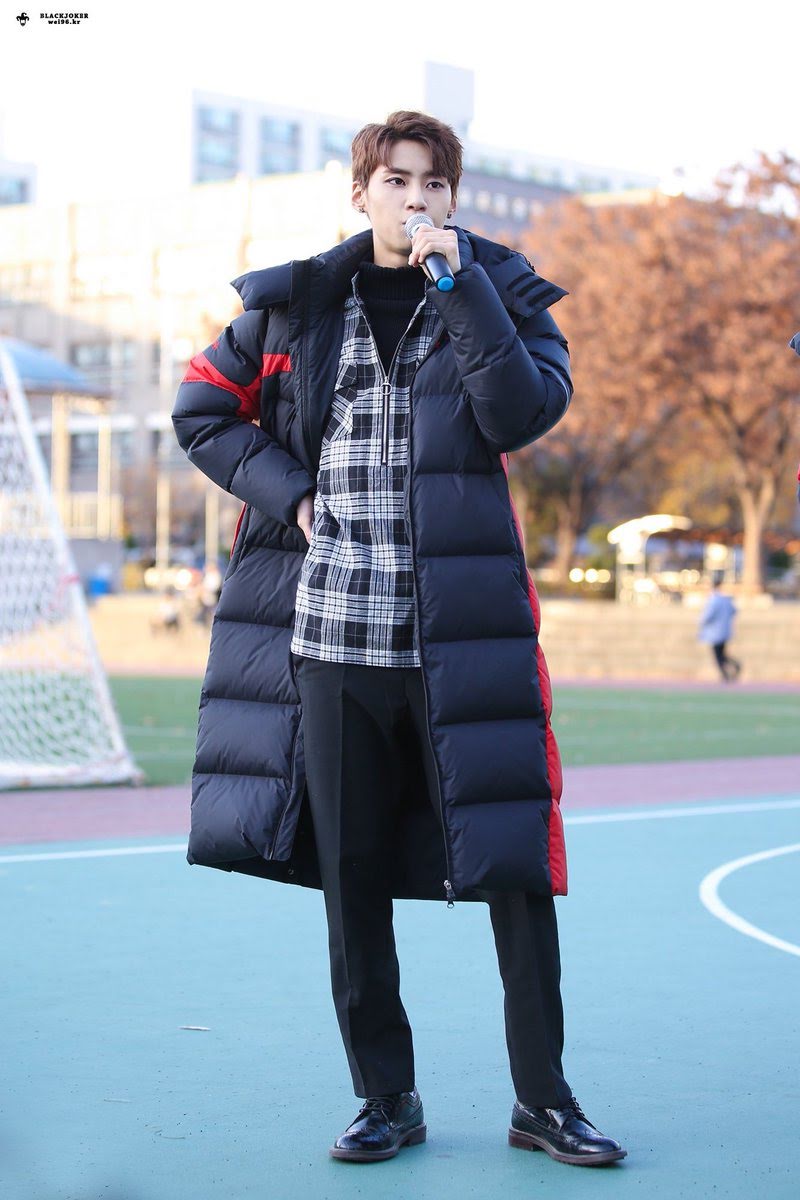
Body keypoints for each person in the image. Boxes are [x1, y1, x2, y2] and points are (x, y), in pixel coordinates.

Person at [172, 110, 626, 1169]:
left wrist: (457, 285)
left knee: (513, 876)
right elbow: (202, 409)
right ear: (361, 192)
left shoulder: (503, 295)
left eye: (432, 183)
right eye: (395, 181)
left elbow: (519, 413)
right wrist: (290, 494)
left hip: (459, 642)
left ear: (452, 198)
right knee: (353, 878)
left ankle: (544, 1101)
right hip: (332, 641)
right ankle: (386, 1098)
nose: (414, 199)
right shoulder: (294, 305)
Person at [698, 575, 741, 682]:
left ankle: (725, 675)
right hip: (724, 631)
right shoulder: (726, 599)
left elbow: (708, 616)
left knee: (718, 656)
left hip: (715, 632)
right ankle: (732, 667)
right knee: (722, 654)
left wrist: (701, 622)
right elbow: (734, 611)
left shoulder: (714, 600)